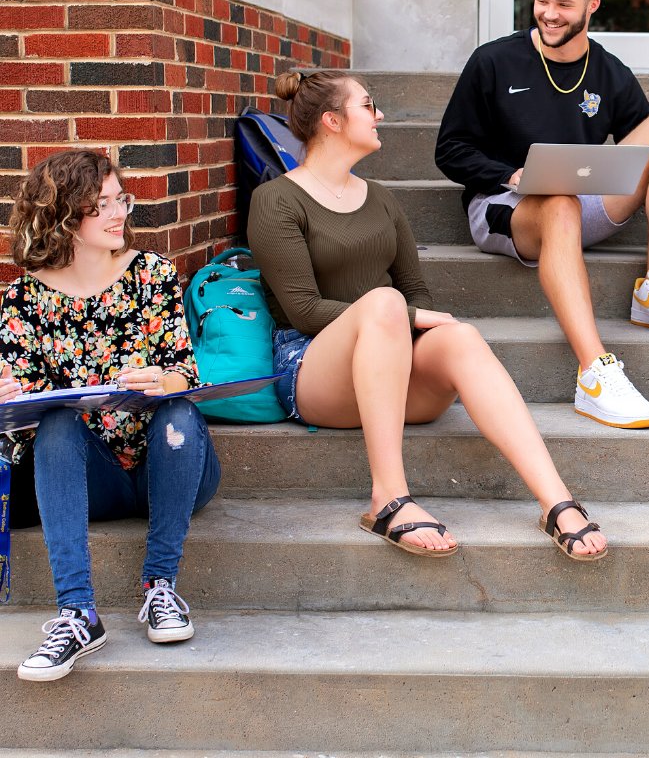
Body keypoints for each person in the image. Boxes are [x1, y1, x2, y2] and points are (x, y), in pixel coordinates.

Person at [246, 68, 607, 562]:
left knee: (461, 337)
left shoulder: (381, 199)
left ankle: (556, 502)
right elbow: (305, 311)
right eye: (368, 106)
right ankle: (388, 499)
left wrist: (408, 317)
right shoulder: (275, 199)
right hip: (313, 374)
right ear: (331, 120)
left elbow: (415, 290)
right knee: (386, 302)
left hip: (392, 373)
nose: (380, 115)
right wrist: (403, 315)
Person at [434, 0, 649, 430]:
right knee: (556, 200)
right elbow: (450, 150)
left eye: (563, 4)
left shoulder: (610, 72)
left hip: (584, 203)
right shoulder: (493, 61)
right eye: (542, 0)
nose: (549, 14)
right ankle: (595, 373)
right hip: (505, 206)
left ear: (592, 5)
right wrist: (512, 175)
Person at [0, 149, 219, 682]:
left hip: (169, 465)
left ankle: (160, 587)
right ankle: (77, 614)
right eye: (101, 205)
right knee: (55, 421)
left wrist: (164, 382)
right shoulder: (23, 298)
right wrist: (7, 397)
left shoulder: (151, 274)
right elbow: (21, 418)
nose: (119, 213)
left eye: (121, 199)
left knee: (178, 411)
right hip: (90, 476)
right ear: (62, 215)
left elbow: (184, 371)